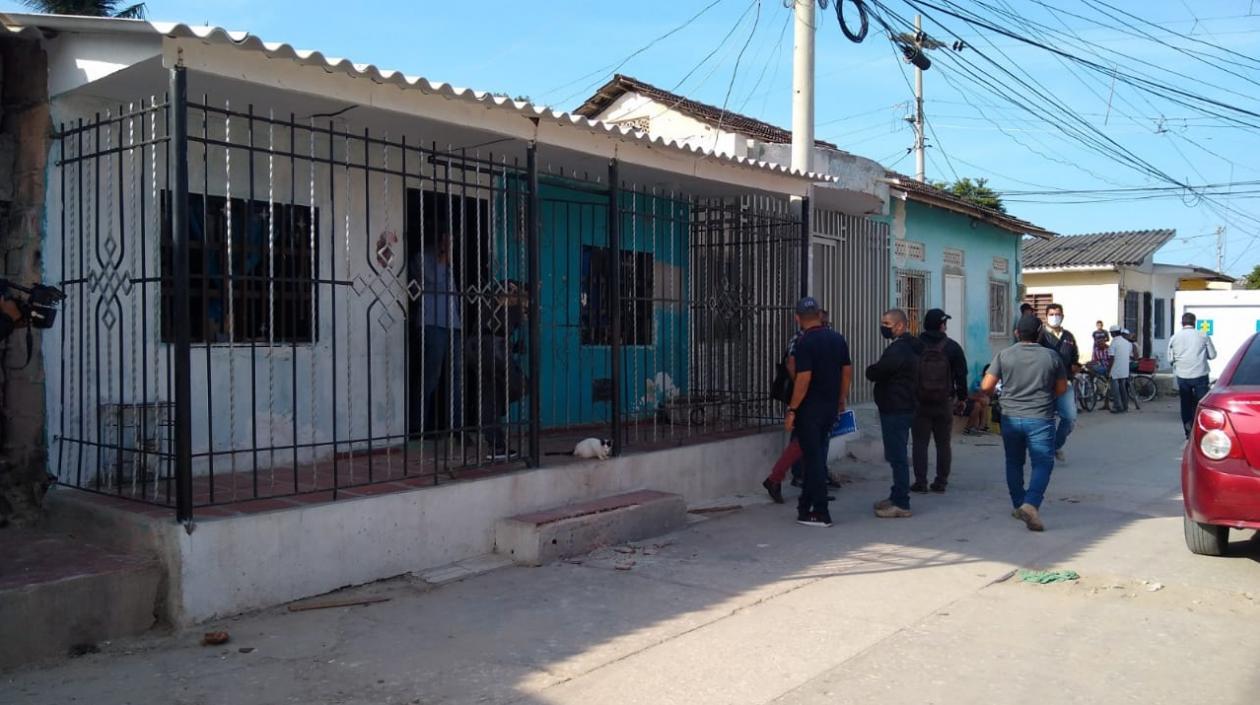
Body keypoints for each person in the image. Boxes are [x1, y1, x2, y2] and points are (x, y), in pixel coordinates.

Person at [980, 314, 1068, 532]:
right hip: (1040, 417)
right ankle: (1031, 503)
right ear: (1040, 334)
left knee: (1013, 461)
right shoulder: (1051, 356)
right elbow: (1061, 389)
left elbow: (986, 386)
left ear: (1017, 333)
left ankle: (1019, 504)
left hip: (1010, 417)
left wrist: (998, 396)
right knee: (1043, 462)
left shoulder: (1004, 355)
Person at [763, 311, 851, 502]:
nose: (825, 326)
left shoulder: (829, 339)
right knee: (805, 443)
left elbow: (843, 370)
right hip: (808, 399)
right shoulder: (802, 339)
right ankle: (790, 480)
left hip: (820, 400)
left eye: (827, 322)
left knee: (809, 444)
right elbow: (793, 366)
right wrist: (799, 397)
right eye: (823, 322)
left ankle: (803, 483)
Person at [784, 298, 850, 527]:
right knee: (817, 455)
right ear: (820, 315)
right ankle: (805, 507)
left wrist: (792, 409)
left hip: (810, 410)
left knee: (813, 460)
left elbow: (803, 378)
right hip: (830, 407)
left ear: (798, 318)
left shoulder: (804, 342)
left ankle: (821, 512)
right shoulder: (837, 338)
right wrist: (841, 399)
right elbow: (847, 372)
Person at [867, 308, 923, 518]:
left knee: (897, 455)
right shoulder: (912, 346)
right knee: (896, 453)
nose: (883, 327)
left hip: (896, 407)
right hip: (904, 404)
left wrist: (870, 370)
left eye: (887, 324)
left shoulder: (899, 350)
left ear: (900, 325)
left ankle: (901, 502)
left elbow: (880, 370)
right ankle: (897, 495)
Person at [464, 279, 528, 460]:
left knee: (494, 395)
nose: (516, 295)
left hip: (481, 351)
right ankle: (497, 446)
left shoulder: (491, 308)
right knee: (497, 394)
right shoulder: (501, 309)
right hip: (490, 353)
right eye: (513, 291)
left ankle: (493, 436)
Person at [911, 309, 967, 494]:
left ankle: (920, 482)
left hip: (920, 402)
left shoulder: (915, 345)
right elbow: (961, 376)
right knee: (943, 443)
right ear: (942, 325)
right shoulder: (952, 347)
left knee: (920, 442)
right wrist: (962, 399)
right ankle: (941, 481)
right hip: (944, 402)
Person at [412, 232, 463, 431]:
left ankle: (456, 428)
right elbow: (434, 281)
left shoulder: (450, 261)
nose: (451, 243)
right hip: (432, 323)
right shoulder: (422, 257)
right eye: (447, 239)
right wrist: (443, 256)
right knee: (430, 377)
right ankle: (419, 428)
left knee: (456, 378)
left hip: (453, 325)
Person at [1038, 303, 1079, 461]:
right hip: (1044, 384)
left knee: (1069, 418)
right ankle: (1043, 450)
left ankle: (1055, 446)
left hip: (1064, 384)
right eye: (1052, 314)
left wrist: (1075, 367)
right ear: (1046, 316)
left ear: (1062, 316)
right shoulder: (1041, 336)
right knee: (1045, 419)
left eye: (1058, 314)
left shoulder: (1068, 336)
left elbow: (1075, 356)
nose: (1055, 317)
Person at [1167, 311, 1217, 438]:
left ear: (1182, 323)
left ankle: (1188, 431)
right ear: (1194, 322)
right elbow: (1212, 355)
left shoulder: (1174, 337)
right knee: (1202, 403)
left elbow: (1170, 359)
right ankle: (1202, 430)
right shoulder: (1203, 335)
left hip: (1182, 375)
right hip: (1200, 374)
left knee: (1185, 403)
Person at [1108, 324, 1134, 413]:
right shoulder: (1127, 343)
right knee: (1123, 388)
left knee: (1115, 390)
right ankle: (1125, 406)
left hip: (1115, 369)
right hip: (1124, 370)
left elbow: (1111, 358)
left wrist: (1109, 370)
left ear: (1113, 333)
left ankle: (1118, 406)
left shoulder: (1114, 343)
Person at [963, 364, 992, 435]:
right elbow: (970, 395)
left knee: (982, 403)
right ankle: (969, 428)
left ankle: (980, 427)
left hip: (978, 401)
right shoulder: (978, 380)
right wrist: (980, 398)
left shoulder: (990, 382)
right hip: (969, 400)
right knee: (978, 404)